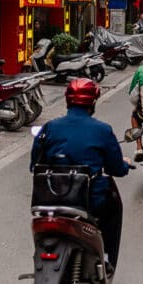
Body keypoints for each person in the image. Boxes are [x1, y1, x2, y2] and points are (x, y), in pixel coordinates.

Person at [30, 78, 130, 267]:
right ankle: (106, 258)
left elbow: (34, 164)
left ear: (67, 100)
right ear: (93, 102)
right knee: (113, 209)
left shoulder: (49, 128)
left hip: (48, 199)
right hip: (88, 201)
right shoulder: (102, 130)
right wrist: (125, 165)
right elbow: (116, 169)